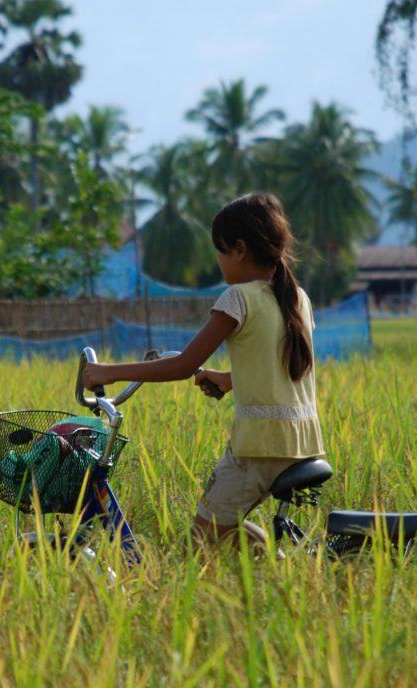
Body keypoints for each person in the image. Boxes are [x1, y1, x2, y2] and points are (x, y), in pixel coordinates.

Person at [82, 192, 325, 551]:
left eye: (220, 251)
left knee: (199, 544)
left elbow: (182, 365)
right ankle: (274, 572)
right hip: (303, 441)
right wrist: (228, 380)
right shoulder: (296, 296)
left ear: (239, 249)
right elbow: (279, 365)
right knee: (221, 536)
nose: (219, 262)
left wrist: (107, 372)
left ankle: (268, 576)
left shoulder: (238, 298)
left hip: (259, 447)